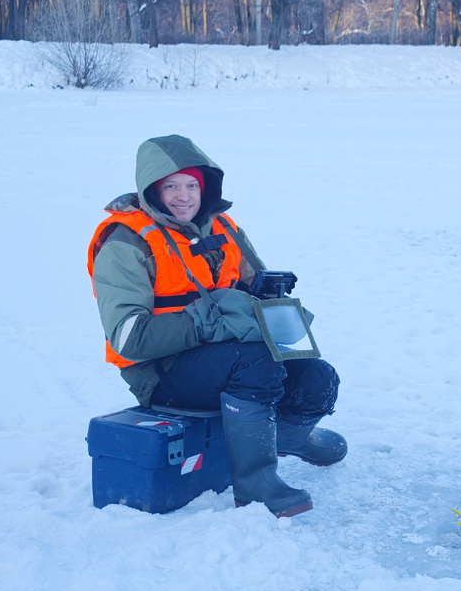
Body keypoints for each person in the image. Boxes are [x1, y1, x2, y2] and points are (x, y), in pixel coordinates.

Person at [87, 135, 346, 517]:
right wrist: (209, 320)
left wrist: (265, 294)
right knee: (255, 362)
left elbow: (250, 282)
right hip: (161, 370)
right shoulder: (126, 242)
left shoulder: (222, 226)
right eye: (170, 185)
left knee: (316, 375)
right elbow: (130, 339)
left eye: (192, 184)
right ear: (151, 189)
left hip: (220, 352)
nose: (183, 196)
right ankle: (255, 482)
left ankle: (286, 438)